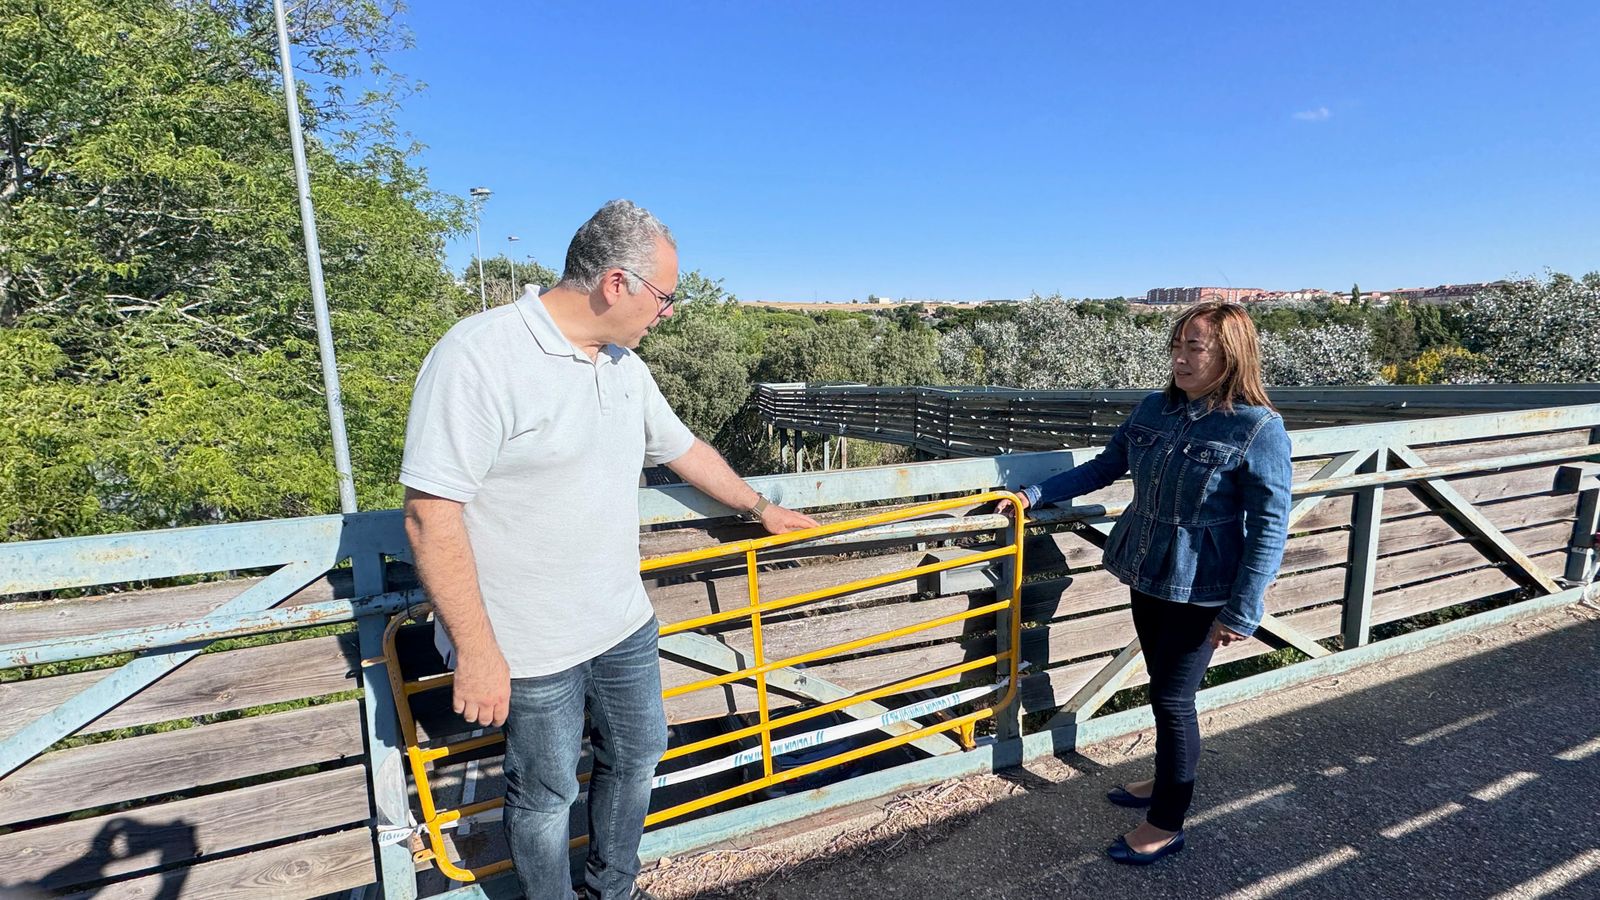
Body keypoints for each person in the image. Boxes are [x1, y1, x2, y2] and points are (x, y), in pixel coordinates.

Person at [400, 200, 818, 900]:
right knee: (545, 796)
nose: (670, 311)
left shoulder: (624, 366)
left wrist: (760, 507)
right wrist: (476, 651)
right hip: (525, 645)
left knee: (638, 755)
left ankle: (612, 890)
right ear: (616, 284)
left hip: (621, 621)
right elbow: (429, 514)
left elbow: (683, 449)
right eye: (665, 296)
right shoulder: (479, 355)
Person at [1005, 301, 1291, 865]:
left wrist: (1242, 609)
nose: (1181, 360)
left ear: (1230, 355)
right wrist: (1035, 494)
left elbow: (1270, 525)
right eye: (1177, 347)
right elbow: (1104, 467)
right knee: (1162, 684)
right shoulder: (1155, 409)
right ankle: (1161, 784)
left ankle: (1167, 821)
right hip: (1148, 569)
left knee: (1173, 697)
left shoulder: (1258, 427)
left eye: (1196, 348)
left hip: (1204, 584)